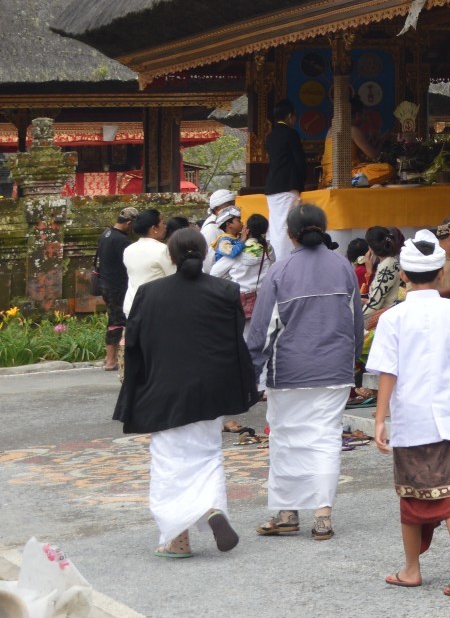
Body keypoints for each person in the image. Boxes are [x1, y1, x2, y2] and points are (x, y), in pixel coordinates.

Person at [115, 227, 260, 559]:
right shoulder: (225, 290)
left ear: (170, 256)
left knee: (169, 462)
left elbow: (136, 345)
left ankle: (177, 539)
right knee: (207, 456)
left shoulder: (149, 294)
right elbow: (234, 342)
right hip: (209, 391)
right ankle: (211, 508)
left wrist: (134, 391)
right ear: (206, 254)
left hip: (164, 389)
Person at [365, 229, 450, 598]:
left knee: (410, 494)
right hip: (448, 418)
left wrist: (378, 418)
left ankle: (411, 569)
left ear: (404, 275)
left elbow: (388, 372)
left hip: (411, 420)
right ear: (440, 274)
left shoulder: (392, 318)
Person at [246, 203, 364, 540]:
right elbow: (355, 322)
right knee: (326, 440)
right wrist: (352, 361)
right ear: (323, 229)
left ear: (290, 233)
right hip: (335, 370)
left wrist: (252, 369)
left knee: (286, 440)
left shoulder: (280, 271)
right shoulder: (343, 267)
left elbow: (262, 330)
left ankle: (287, 513)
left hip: (289, 370)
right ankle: (323, 517)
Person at [93, 205, 138, 369]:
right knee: (118, 321)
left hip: (105, 284)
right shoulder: (121, 240)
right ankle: (111, 360)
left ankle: (111, 359)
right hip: (117, 286)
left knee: (114, 319)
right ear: (128, 223)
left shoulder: (106, 234)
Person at [261, 100, 308, 253]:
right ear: (290, 116)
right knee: (286, 226)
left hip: (272, 186)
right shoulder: (290, 134)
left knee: (275, 227)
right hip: (287, 186)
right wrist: (303, 179)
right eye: (295, 116)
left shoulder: (270, 136)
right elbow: (299, 160)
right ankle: (284, 260)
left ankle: (276, 262)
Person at [208, 210, 271, 319]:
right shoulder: (268, 249)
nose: (242, 225)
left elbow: (214, 273)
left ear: (247, 230)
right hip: (263, 297)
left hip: (240, 300)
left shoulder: (238, 250)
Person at [121, 208, 173, 320]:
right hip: (154, 307)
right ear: (154, 228)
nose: (165, 226)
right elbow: (175, 276)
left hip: (131, 305)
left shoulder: (129, 250)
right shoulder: (163, 250)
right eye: (163, 223)